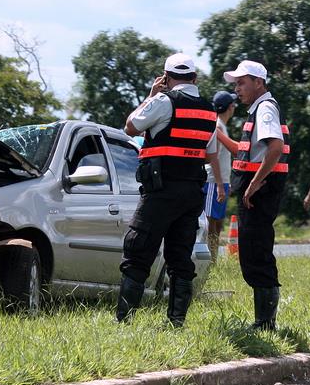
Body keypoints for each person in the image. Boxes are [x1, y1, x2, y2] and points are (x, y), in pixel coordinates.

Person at [116, 53, 224, 327]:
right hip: (191, 193)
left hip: (161, 190)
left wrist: (150, 96)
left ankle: (125, 321)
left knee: (138, 249)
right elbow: (209, 152)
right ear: (195, 78)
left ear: (165, 78)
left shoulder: (163, 101)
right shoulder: (209, 110)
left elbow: (130, 127)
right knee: (180, 257)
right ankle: (176, 322)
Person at [217, 60, 289, 330]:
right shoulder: (258, 109)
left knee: (256, 251)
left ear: (259, 82)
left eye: (241, 82)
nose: (237, 89)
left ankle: (265, 323)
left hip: (260, 190)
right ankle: (264, 320)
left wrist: (255, 184)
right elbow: (246, 151)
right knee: (251, 249)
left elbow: (275, 148)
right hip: (256, 188)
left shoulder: (265, 109)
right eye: (235, 83)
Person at [203, 91, 237, 263]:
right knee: (210, 226)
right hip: (212, 182)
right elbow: (213, 156)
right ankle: (208, 262)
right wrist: (218, 184)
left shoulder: (222, 127)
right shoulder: (217, 126)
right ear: (230, 107)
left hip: (221, 181)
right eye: (233, 103)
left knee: (217, 225)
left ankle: (213, 261)